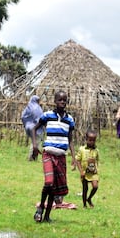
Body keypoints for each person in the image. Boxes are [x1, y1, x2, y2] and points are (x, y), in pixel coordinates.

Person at [33, 90, 81, 224]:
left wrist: (73, 156)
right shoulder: (47, 115)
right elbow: (34, 128)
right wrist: (35, 145)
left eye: (65, 100)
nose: (62, 102)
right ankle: (40, 208)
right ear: (55, 101)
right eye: (60, 100)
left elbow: (70, 139)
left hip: (61, 156)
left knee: (54, 188)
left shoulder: (69, 120)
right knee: (48, 182)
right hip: (48, 152)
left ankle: (47, 216)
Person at [74, 129, 100, 208]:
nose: (91, 142)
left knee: (95, 186)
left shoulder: (96, 151)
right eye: (90, 140)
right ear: (86, 139)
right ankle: (84, 204)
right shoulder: (82, 149)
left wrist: (97, 172)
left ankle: (89, 198)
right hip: (84, 172)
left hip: (93, 173)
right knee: (85, 189)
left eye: (93, 140)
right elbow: (77, 160)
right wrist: (81, 171)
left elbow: (97, 162)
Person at [21, 95, 44, 160]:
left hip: (28, 127)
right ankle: (32, 158)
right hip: (36, 128)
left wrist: (27, 123)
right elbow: (40, 119)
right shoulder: (37, 108)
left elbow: (23, 117)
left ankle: (33, 157)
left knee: (33, 141)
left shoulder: (28, 107)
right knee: (36, 142)